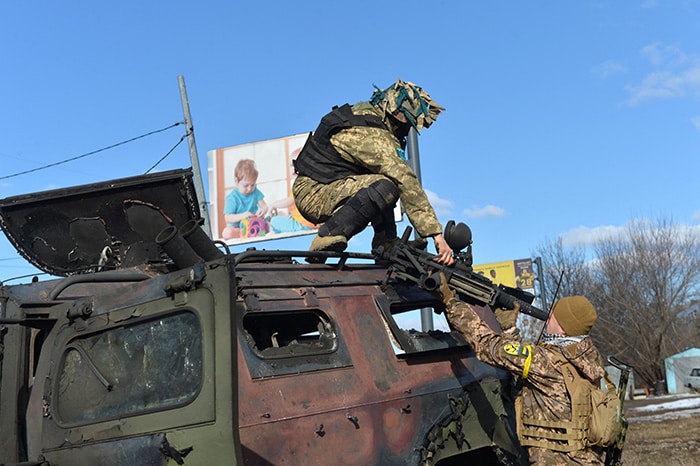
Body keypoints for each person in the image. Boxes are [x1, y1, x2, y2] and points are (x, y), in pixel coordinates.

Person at [431, 276, 608, 465]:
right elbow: (527, 369)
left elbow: (487, 346)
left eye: (554, 316)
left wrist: (450, 302)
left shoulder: (547, 361)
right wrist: (510, 330)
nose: (548, 318)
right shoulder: (585, 358)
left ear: (564, 329)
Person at [292, 78, 453, 264]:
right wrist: (436, 235)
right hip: (315, 193)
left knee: (383, 182)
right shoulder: (371, 133)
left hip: (330, 186)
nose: (406, 130)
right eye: (406, 124)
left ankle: (386, 243)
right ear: (396, 117)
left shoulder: (368, 116)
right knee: (387, 185)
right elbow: (403, 177)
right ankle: (328, 235)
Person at [221, 159, 268, 240]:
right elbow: (227, 218)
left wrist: (263, 210)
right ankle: (248, 232)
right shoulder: (232, 198)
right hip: (238, 227)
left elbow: (264, 206)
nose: (249, 188)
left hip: (256, 224)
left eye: (253, 185)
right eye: (246, 185)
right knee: (227, 233)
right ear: (236, 181)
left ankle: (255, 231)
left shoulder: (255, 191)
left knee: (271, 223)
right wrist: (243, 216)